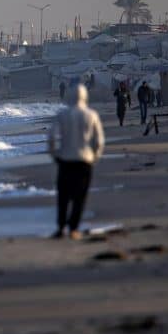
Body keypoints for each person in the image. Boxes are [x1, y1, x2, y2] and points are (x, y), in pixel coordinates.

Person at [47, 84, 105, 240]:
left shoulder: (62, 114)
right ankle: (73, 229)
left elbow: (51, 137)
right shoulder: (91, 114)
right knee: (80, 196)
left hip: (65, 160)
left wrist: (54, 155)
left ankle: (60, 228)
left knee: (63, 196)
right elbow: (99, 141)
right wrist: (95, 157)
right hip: (84, 160)